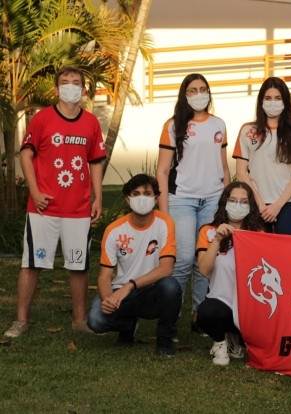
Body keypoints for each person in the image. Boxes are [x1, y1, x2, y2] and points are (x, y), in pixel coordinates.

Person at [4, 66, 106, 338]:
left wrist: (97, 196)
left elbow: (96, 161)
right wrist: (35, 192)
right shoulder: (42, 119)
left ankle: (79, 321)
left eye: (76, 82)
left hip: (78, 209)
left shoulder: (91, 123)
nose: (71, 86)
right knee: (31, 263)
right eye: (65, 81)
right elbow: (26, 155)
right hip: (43, 209)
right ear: (57, 88)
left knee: (78, 265)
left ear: (83, 90)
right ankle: (21, 320)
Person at [156, 73, 231, 322]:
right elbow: (162, 171)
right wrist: (164, 212)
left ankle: (199, 316)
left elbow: (224, 167)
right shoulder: (172, 126)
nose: (199, 94)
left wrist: (227, 202)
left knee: (205, 259)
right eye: (193, 90)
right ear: (184, 95)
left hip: (213, 199)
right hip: (182, 200)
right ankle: (172, 315)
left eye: (203, 89)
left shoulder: (219, 124)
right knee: (183, 259)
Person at [87, 174, 182, 357]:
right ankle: (128, 326)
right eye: (136, 194)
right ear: (127, 199)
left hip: (152, 291)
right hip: (122, 293)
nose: (142, 198)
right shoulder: (114, 230)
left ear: (156, 198)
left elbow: (166, 268)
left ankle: (165, 340)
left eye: (147, 193)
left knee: (171, 287)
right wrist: (108, 300)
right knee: (96, 319)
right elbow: (105, 276)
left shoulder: (165, 223)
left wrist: (130, 285)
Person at [195, 182, 264, 366]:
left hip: (249, 305)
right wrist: (217, 240)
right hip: (221, 302)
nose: (238, 205)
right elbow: (204, 270)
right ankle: (220, 342)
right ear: (225, 202)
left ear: (250, 206)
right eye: (233, 200)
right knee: (206, 313)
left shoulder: (258, 234)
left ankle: (236, 339)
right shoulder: (208, 231)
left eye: (243, 201)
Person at [233, 77, 291, 235]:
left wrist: (277, 205)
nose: (272, 102)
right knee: (257, 249)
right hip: (257, 204)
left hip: (286, 203)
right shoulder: (247, 130)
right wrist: (260, 203)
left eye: (277, 98)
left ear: (285, 101)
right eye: (268, 98)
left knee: (285, 249)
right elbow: (241, 172)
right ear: (261, 101)